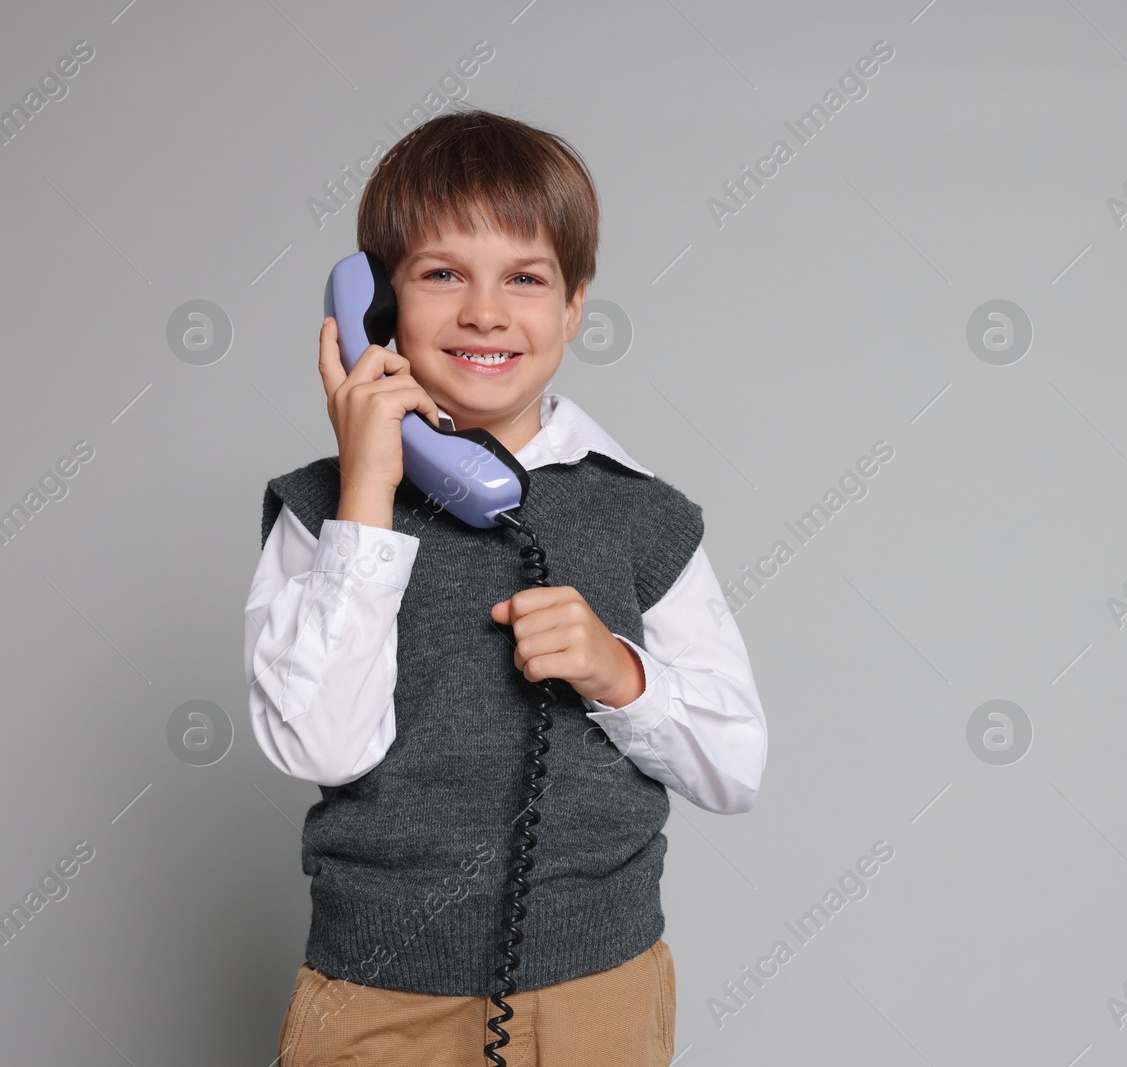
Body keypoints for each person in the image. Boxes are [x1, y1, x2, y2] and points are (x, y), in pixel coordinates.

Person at [243, 108, 767, 1066]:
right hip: (376, 992)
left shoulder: (640, 513)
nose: (485, 312)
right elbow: (316, 741)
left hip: (597, 989)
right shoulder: (320, 510)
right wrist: (369, 488)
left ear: (572, 307)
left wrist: (621, 673)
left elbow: (736, 766)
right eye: (442, 274)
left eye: (524, 278)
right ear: (375, 310)